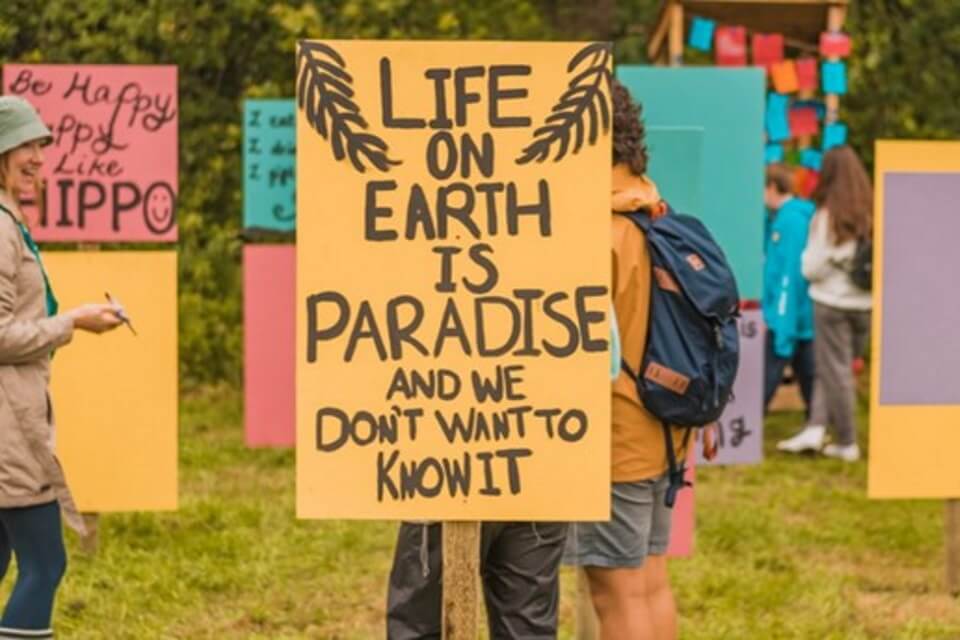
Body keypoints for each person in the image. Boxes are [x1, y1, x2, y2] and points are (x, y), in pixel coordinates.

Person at [561, 79, 692, 640]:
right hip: (664, 427)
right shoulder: (655, 213)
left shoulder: (597, 231)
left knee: (613, 594)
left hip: (615, 434)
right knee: (650, 582)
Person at [0, 96, 123, 639]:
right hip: (9, 429)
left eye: (40, 145)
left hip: (14, 416)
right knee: (46, 563)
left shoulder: (9, 220)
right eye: (25, 144)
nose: (37, 156)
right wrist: (72, 322)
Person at [786, 146, 873, 462]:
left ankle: (847, 441)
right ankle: (816, 426)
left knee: (835, 371)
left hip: (831, 303)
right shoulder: (871, 212)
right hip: (864, 305)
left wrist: (824, 260)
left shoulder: (826, 216)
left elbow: (811, 267)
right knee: (833, 367)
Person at [762, 165, 817, 436]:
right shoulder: (783, 218)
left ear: (772, 187)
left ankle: (750, 424)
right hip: (798, 315)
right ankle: (817, 423)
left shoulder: (790, 221)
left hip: (789, 315)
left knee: (774, 366)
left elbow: (789, 274)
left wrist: (782, 318)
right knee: (808, 373)